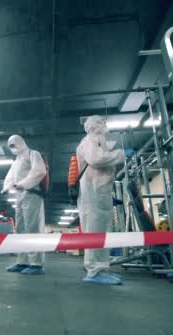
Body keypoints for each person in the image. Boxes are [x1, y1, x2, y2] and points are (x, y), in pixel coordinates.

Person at [76, 115, 125, 285]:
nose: (105, 125)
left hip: (99, 189)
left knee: (102, 230)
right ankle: (94, 271)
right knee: (95, 229)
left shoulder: (98, 139)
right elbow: (95, 159)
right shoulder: (91, 139)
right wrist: (119, 155)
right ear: (95, 125)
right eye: (102, 122)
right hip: (94, 189)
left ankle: (102, 269)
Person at [1, 135, 47, 275]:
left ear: (20, 142)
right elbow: (10, 177)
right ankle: (23, 261)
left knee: (33, 228)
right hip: (19, 196)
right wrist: (6, 187)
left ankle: (36, 264)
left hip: (32, 194)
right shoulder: (16, 161)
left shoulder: (32, 154)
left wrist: (23, 184)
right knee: (20, 228)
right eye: (10, 146)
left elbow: (40, 171)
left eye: (14, 145)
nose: (13, 148)